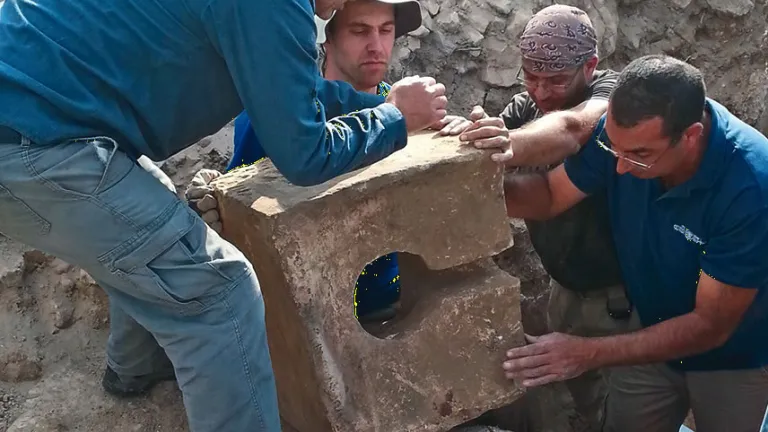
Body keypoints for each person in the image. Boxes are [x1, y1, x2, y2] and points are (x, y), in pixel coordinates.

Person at [0, 0, 449, 429]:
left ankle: (134, 369)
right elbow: (305, 154)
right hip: (34, 138)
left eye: (385, 30)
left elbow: (290, 92)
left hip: (35, 115)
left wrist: (383, 109)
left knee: (150, 208)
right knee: (220, 294)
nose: (332, 9)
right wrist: (392, 119)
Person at [501, 54, 768, 432]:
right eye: (614, 149)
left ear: (690, 136)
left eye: (640, 156)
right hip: (649, 334)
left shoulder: (751, 186)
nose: (621, 168)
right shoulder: (626, 136)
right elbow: (549, 195)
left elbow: (711, 325)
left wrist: (585, 353)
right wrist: (475, 188)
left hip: (731, 358)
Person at [187, 0, 470, 322]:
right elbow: (237, 202)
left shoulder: (414, 114)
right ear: (326, 36)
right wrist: (212, 201)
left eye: (386, 30)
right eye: (360, 31)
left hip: (394, 303)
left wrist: (460, 138)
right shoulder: (278, 116)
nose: (376, 46)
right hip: (301, 314)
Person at [457, 5, 627, 429]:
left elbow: (572, 128)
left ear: (590, 66)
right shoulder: (526, 106)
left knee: (625, 411)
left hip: (621, 300)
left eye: (555, 80)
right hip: (564, 290)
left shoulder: (615, 95)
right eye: (530, 77)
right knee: (583, 402)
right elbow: (494, 135)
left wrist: (507, 144)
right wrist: (472, 135)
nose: (541, 92)